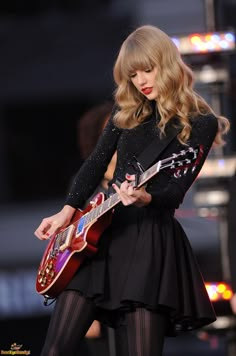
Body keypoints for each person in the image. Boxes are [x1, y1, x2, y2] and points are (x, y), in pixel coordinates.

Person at [35, 25, 230, 356]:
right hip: (99, 235)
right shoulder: (125, 111)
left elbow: (176, 190)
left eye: (147, 69)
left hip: (148, 240)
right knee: (55, 348)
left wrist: (146, 197)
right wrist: (67, 211)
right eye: (133, 74)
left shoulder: (200, 122)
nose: (141, 80)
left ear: (166, 63)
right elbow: (95, 164)